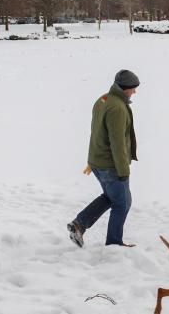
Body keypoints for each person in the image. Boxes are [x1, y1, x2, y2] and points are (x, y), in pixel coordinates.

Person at [67, 69, 139, 248]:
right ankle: (114, 243)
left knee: (112, 197)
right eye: (133, 88)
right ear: (125, 88)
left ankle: (79, 224)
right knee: (122, 204)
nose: (135, 92)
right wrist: (123, 170)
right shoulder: (117, 108)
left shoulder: (104, 99)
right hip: (110, 164)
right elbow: (117, 143)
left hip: (97, 160)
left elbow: (97, 132)